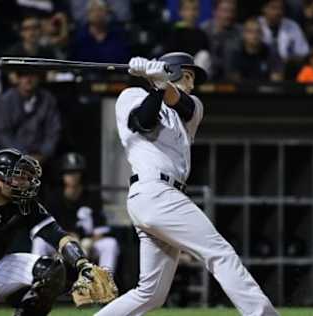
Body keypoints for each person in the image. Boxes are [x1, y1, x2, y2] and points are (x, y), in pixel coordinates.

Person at [95, 52, 279, 316]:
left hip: (164, 196)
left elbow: (182, 103)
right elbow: (143, 123)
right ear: (172, 71)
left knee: (150, 294)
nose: (193, 84)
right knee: (219, 252)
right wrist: (156, 84)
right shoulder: (131, 96)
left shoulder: (192, 111)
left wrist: (161, 83)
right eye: (189, 76)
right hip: (152, 191)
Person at [0, 148, 116, 314]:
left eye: (26, 176)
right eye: (19, 176)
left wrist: (82, 263)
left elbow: (57, 235)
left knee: (52, 271)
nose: (25, 182)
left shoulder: (25, 204)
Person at [32, 152, 120, 275]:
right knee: (39, 242)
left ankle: (106, 283)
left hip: (87, 244)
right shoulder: (54, 198)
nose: (72, 176)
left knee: (110, 244)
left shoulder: (92, 198)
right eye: (68, 172)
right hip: (60, 244)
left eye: (75, 172)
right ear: (62, 175)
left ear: (81, 174)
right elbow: (46, 228)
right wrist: (68, 239)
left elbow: (101, 231)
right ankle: (37, 280)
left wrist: (88, 242)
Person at [0, 70, 61, 166]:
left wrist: (44, 153)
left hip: (43, 157)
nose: (28, 80)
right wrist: (23, 156)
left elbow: (54, 130)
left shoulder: (48, 99)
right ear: (17, 79)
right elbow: (3, 133)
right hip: (14, 158)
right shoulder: (5, 100)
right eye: (23, 76)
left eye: (32, 76)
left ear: (38, 78)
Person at [258, 0, 310, 80]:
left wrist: (289, 59)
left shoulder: (292, 26)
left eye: (281, 8)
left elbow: (304, 53)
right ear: (264, 9)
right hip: (261, 70)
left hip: (287, 72)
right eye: (274, 8)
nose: (278, 12)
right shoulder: (256, 24)